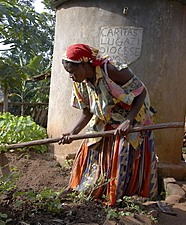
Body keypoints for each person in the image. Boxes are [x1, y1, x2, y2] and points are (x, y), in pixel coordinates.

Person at [59, 43, 158, 206]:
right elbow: (87, 111)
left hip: (132, 117)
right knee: (89, 148)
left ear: (84, 64)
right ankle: (86, 189)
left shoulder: (112, 70)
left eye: (72, 71)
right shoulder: (80, 81)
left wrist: (128, 122)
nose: (70, 76)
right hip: (105, 119)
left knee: (122, 154)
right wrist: (72, 132)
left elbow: (141, 92)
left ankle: (121, 197)